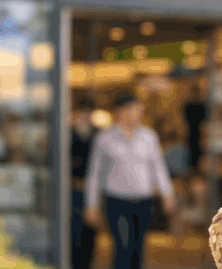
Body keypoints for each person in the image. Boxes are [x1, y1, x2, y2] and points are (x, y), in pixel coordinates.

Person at [85, 92, 176, 269]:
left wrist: (168, 194)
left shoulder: (149, 137)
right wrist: (91, 204)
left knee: (137, 247)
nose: (137, 114)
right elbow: (94, 174)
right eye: (133, 110)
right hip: (116, 201)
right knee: (123, 246)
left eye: (139, 110)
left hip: (143, 201)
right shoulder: (104, 138)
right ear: (120, 112)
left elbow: (158, 167)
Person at [70, 96, 100, 269]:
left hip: (91, 189)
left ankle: (86, 264)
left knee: (89, 231)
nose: (85, 116)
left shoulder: (98, 134)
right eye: (82, 113)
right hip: (72, 188)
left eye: (88, 113)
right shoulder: (68, 133)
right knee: (73, 230)